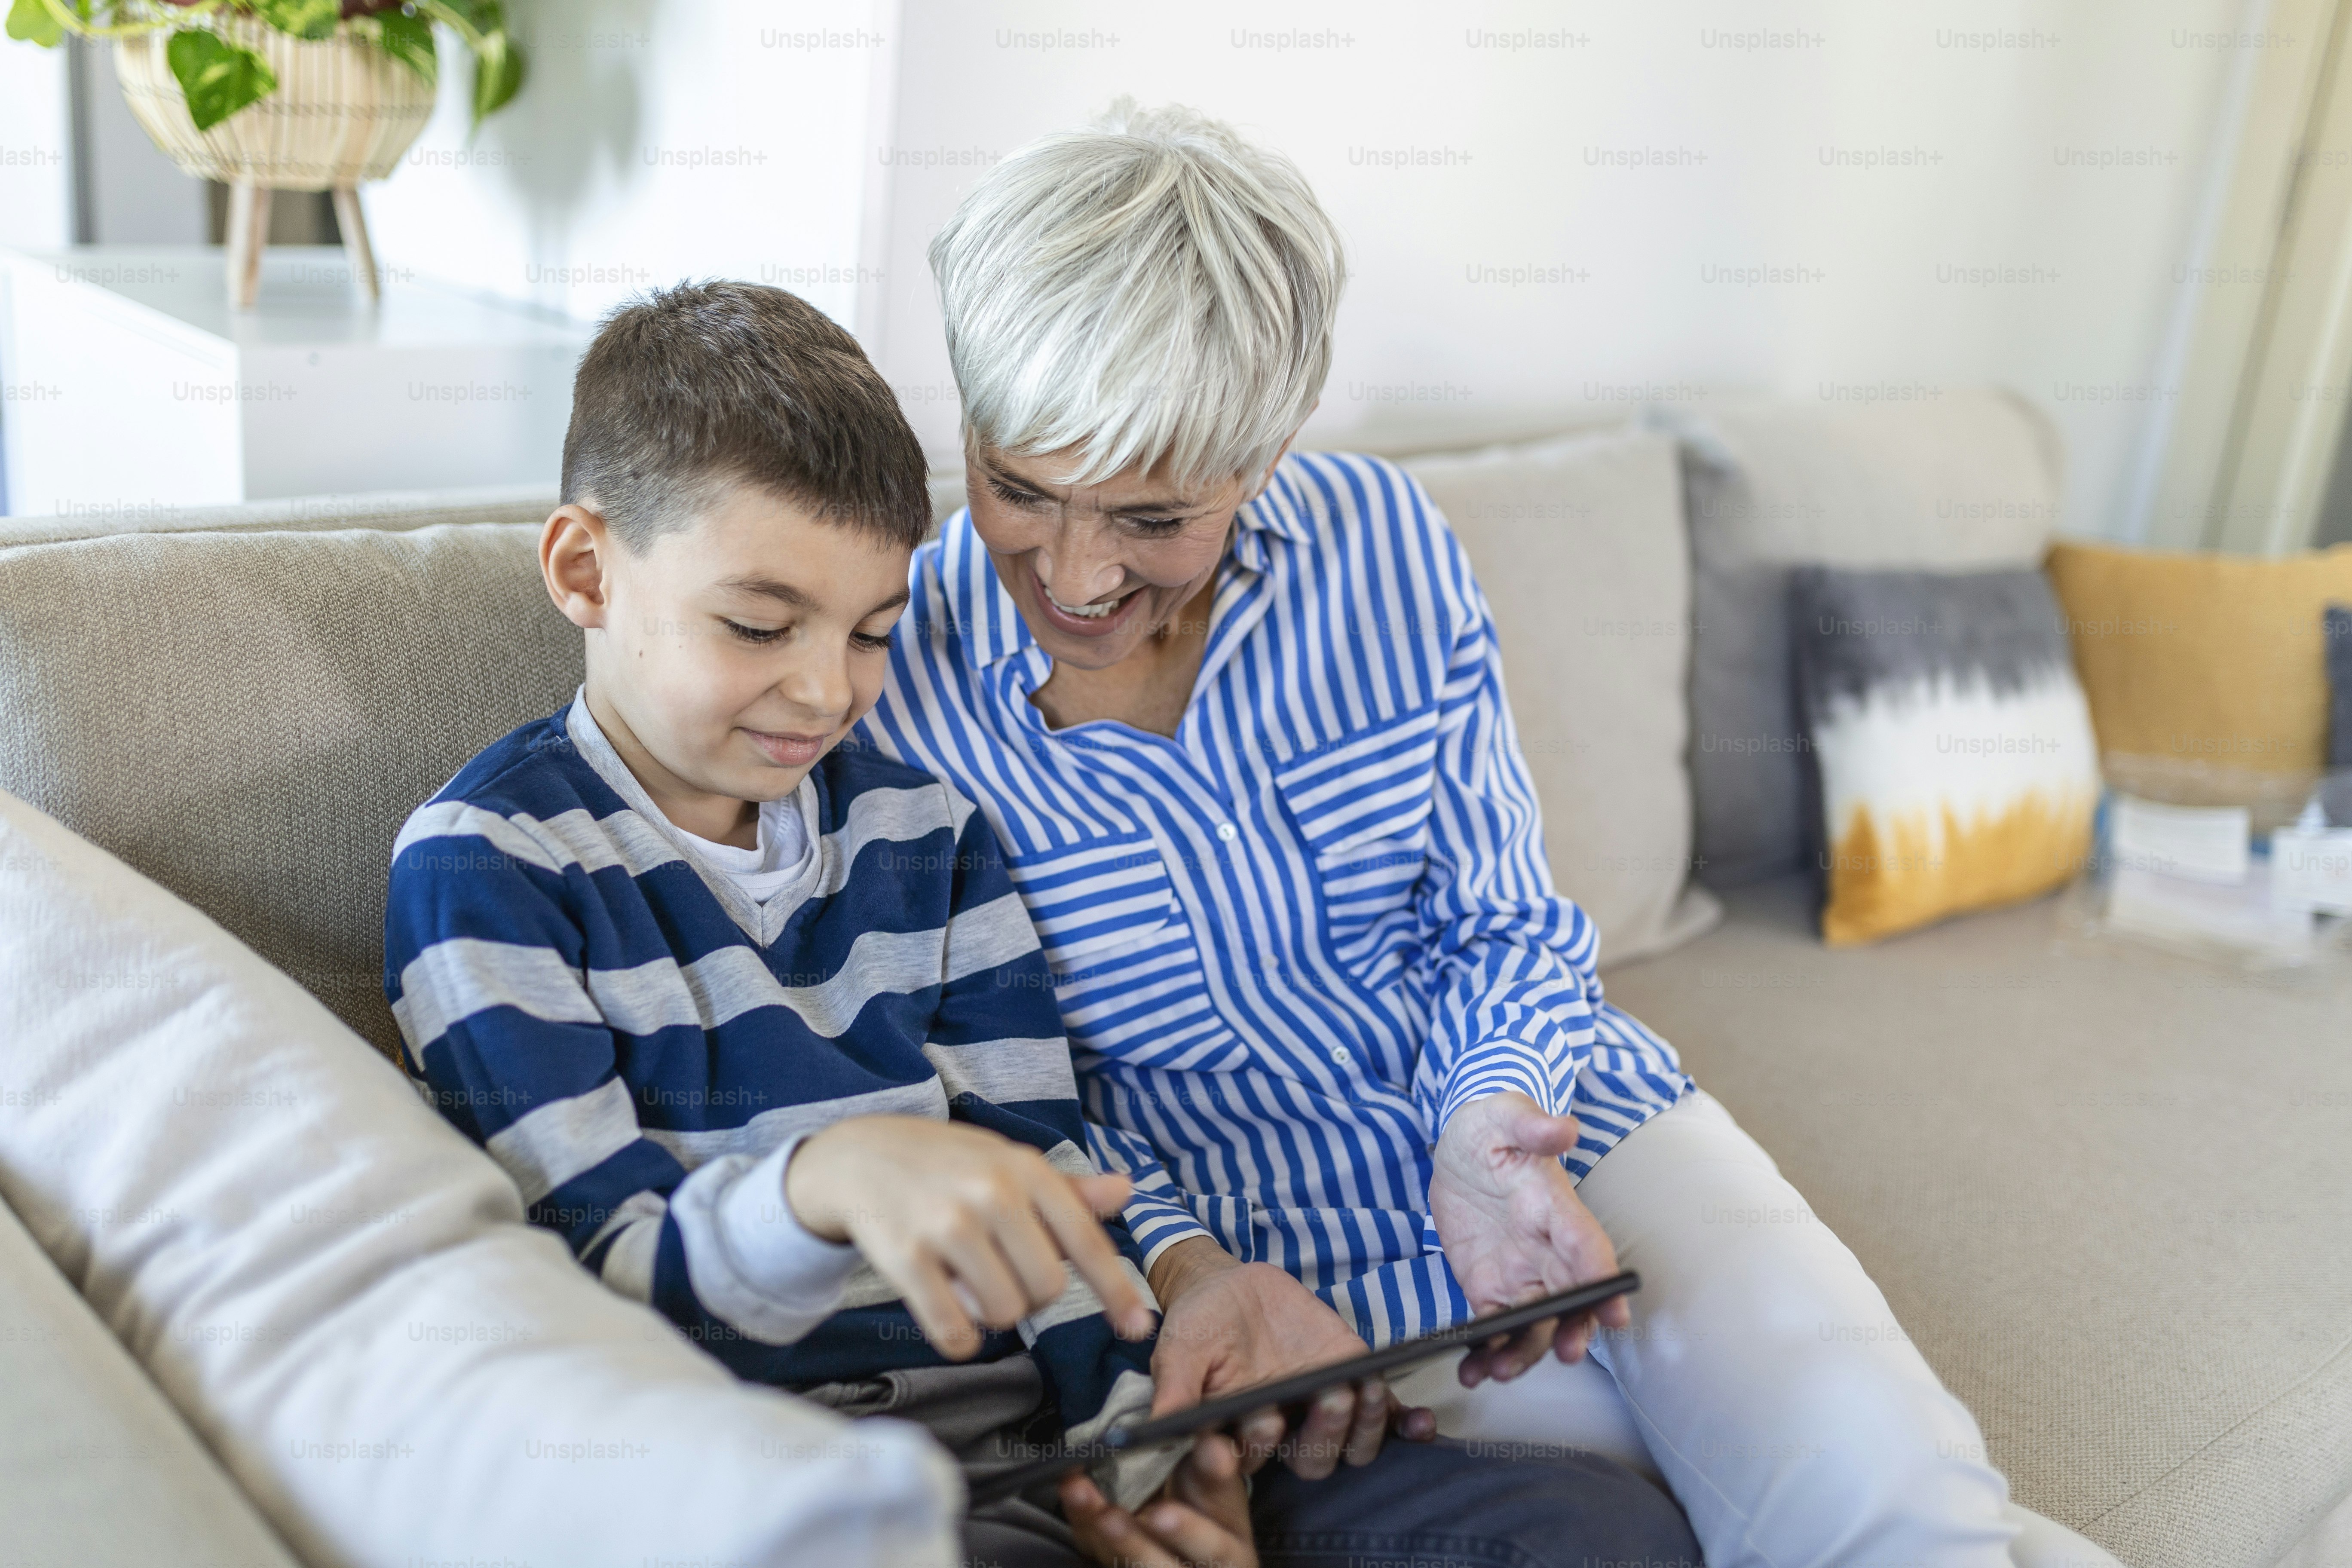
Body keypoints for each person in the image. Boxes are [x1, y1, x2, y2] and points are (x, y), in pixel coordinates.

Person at [861, 101, 2122, 1568]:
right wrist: (1187, 1267)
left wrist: (1485, 1128)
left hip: (1557, 1137)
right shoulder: (892, 680)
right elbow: (992, 1089)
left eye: (1153, 516)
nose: (1076, 573)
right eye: (1021, 488)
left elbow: (1505, 924)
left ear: (1264, 455)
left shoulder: (1384, 550)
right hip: (1278, 1273)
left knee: (1905, 1507)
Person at [385, 279, 1700, 1568]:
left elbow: (1055, 1170)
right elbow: (600, 1276)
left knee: (1603, 1534)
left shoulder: (919, 834)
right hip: (776, 1484)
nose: (821, 691)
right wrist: (822, 1187)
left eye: (872, 634)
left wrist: (1166, 1462)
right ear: (583, 568)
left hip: (1052, 1459)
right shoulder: (490, 869)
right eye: (760, 625)